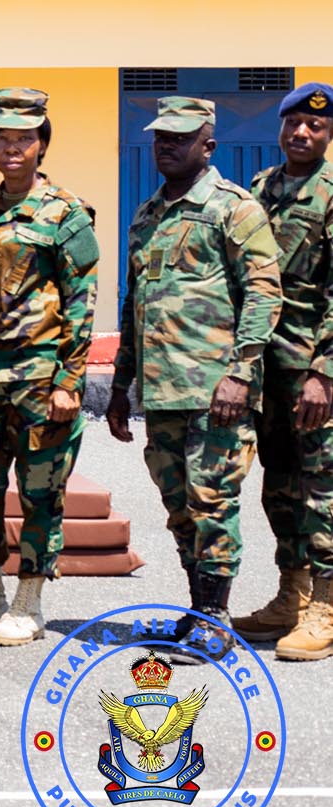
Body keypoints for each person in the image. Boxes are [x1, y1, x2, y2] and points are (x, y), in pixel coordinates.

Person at [104, 96, 281, 659]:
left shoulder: (234, 208)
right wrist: (120, 386)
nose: (166, 146)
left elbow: (263, 293)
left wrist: (241, 373)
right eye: (161, 137)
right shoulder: (147, 215)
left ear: (209, 146)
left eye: (180, 139)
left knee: (212, 504)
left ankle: (216, 620)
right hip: (162, 392)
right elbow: (136, 304)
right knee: (180, 509)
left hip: (215, 390)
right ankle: (197, 610)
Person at [0, 88, 100, 647]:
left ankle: (29, 603)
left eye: (24, 139)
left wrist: (69, 381)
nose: (12, 148)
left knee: (40, 493)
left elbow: (82, 301)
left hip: (39, 380)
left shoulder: (66, 213)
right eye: (2, 138)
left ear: (42, 145)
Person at [239, 83, 333, 661]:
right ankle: (291, 596)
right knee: (279, 485)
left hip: (313, 371)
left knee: (321, 490)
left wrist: (325, 373)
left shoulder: (330, 195)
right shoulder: (259, 190)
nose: (302, 132)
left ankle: (326, 604)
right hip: (268, 371)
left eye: (315, 126)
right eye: (294, 123)